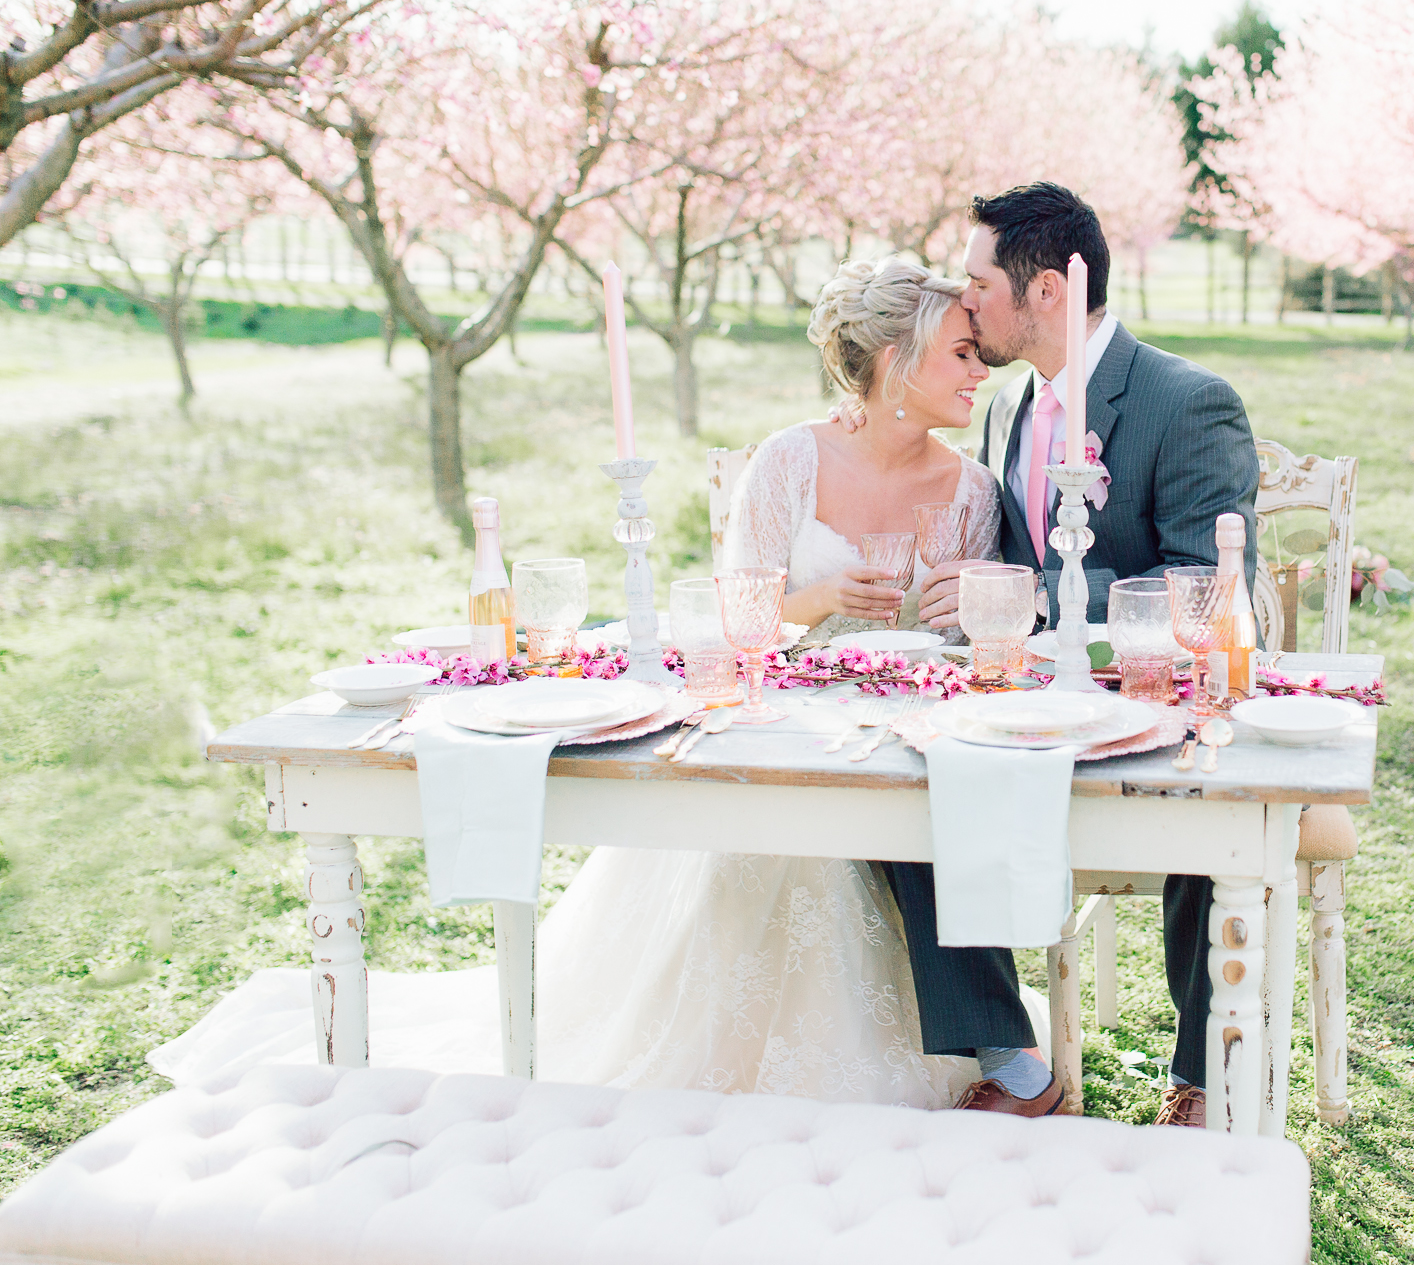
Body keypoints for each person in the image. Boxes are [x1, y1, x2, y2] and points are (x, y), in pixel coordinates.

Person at [150, 257, 1008, 1109]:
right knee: (770, 841)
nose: (981, 371)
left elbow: (979, 634)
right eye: (962, 354)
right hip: (773, 720)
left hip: (898, 730)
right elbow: (728, 615)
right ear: (896, 363)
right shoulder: (791, 461)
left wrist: (969, 601)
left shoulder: (971, 487)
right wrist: (815, 599)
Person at [888, 181, 1260, 1125]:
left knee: (1211, 802)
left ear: (1047, 289)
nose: (964, 300)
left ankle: (1203, 1078)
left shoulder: (1188, 402)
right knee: (902, 783)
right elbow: (1009, 558)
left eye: (978, 283)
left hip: (1148, 708)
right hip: (1020, 710)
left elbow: (1205, 589)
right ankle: (1014, 1062)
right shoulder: (1009, 408)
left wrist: (1039, 614)